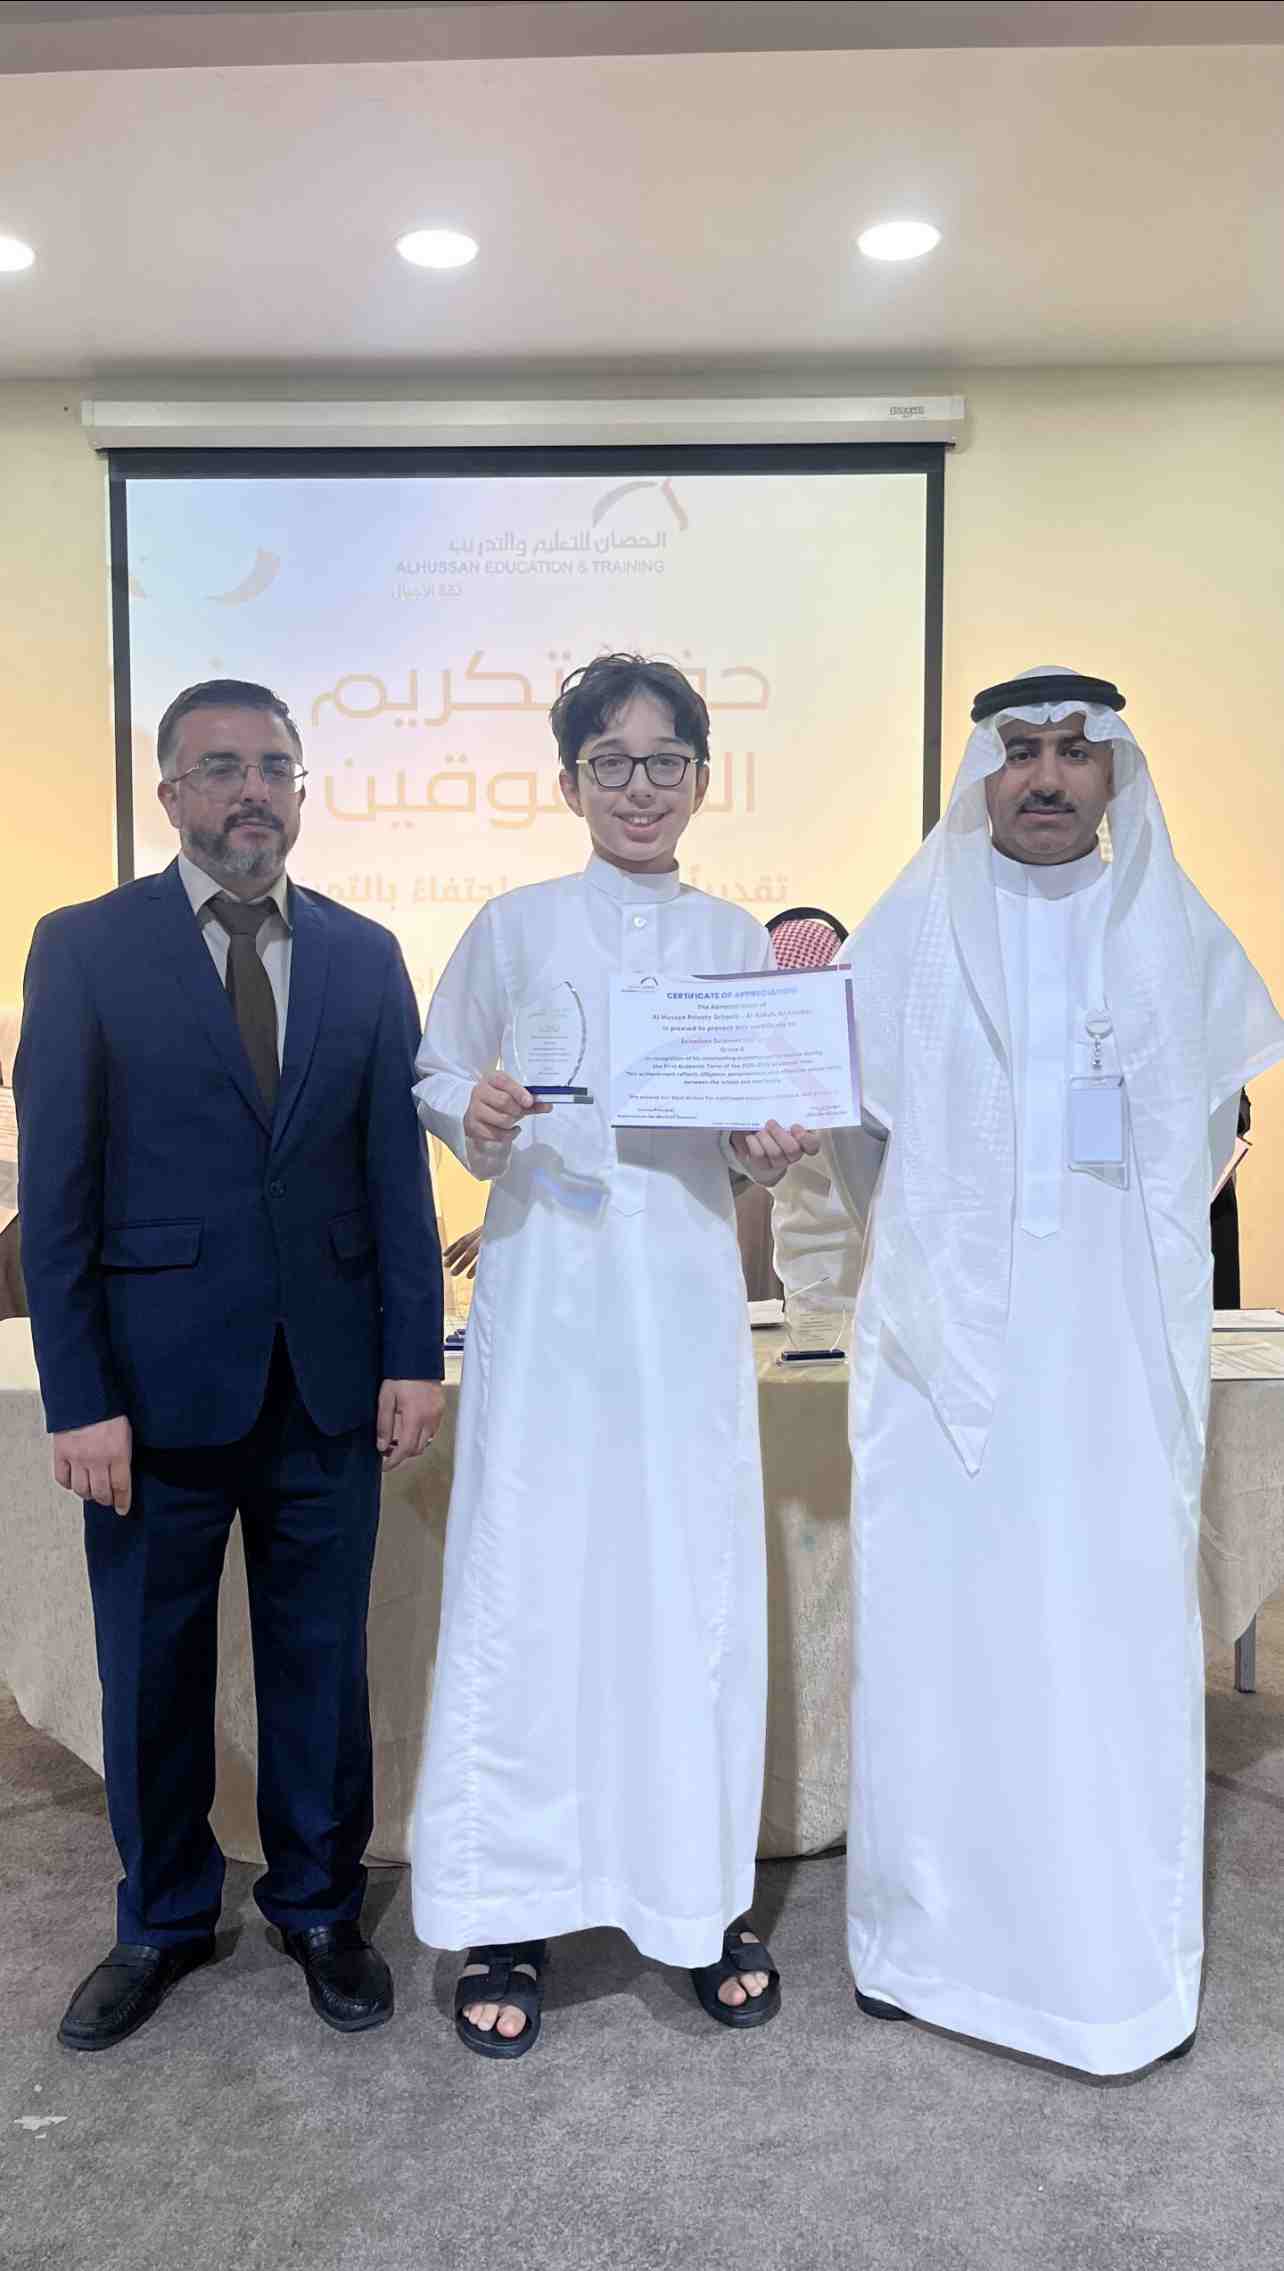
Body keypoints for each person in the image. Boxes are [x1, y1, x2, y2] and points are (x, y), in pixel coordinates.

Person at [786, 666, 1284, 2075]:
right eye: (1021, 752)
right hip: (944, 1371)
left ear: (1116, 772)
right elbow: (853, 1142)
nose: (1048, 777)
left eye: (1076, 751)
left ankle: (1108, 1968)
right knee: (939, 1647)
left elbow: (1206, 1146)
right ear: (983, 774)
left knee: (1108, 1645)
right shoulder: (910, 930)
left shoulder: (1174, 936)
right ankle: (918, 1948)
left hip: (1112, 1379)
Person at [15, 678, 444, 2051]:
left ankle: (319, 1908)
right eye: (220, 768)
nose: (252, 791)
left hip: (327, 1382)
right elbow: (58, 1192)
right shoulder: (84, 946)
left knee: (321, 1665)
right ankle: (161, 1918)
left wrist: (411, 1353)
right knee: (153, 1669)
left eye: (274, 767)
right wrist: (81, 1396)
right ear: (169, 794)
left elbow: (395, 1175)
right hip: (150, 1396)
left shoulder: (366, 953)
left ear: (300, 789)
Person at [409, 653, 818, 2055]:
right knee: (529, 1590)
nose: (639, 788)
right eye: (611, 763)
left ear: (702, 777)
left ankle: (696, 1899)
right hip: (545, 1312)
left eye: (664, 762)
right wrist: (475, 1111)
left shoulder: (737, 941)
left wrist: (767, 1149)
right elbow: (432, 1070)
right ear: (569, 780)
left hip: (684, 1313)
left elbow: (756, 1131)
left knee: (686, 1592)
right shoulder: (514, 926)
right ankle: (508, 1909)